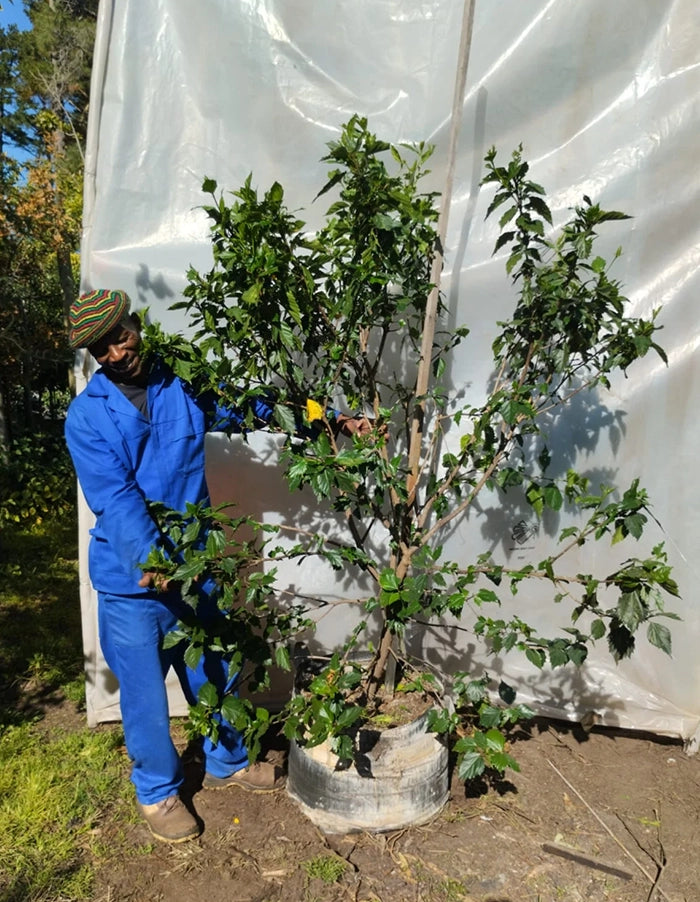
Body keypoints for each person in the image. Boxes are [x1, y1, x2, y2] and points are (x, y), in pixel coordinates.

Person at [65, 288, 367, 843]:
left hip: (197, 564)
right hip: (133, 580)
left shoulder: (182, 381)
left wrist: (333, 420)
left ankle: (228, 760)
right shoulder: (86, 418)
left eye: (120, 334)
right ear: (93, 356)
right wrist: (152, 557)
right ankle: (158, 793)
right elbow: (117, 496)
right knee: (145, 695)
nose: (115, 351)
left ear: (135, 323)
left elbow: (256, 405)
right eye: (100, 348)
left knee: (214, 670)